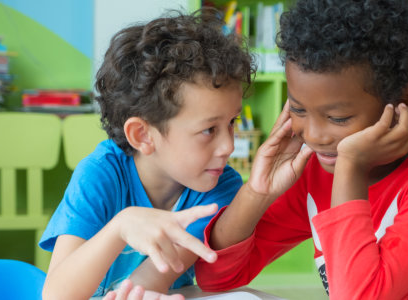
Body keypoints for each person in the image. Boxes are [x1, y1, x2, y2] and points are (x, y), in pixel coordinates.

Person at [192, 0, 408, 299]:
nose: (315, 136)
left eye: (338, 117)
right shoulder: (315, 167)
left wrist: (350, 167)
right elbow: (215, 277)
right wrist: (257, 193)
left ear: (403, 101)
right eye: (299, 109)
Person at [38, 9, 255, 299]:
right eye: (209, 130)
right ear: (143, 135)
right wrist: (121, 227)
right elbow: (56, 295)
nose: (228, 146)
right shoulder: (100, 175)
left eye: (232, 123)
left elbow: (149, 282)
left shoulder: (219, 188)